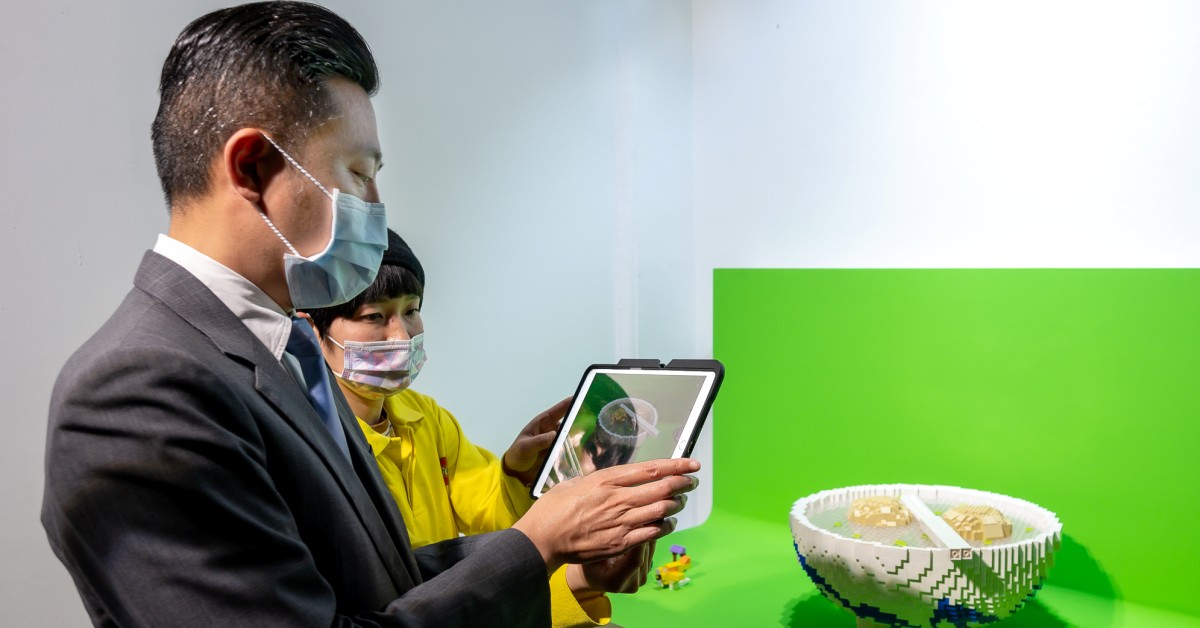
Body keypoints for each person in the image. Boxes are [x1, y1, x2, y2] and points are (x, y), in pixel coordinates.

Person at [40, 3, 699, 627]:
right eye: (358, 173)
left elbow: (378, 578)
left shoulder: (282, 350)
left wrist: (563, 558)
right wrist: (537, 543)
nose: (377, 207)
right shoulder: (138, 391)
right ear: (252, 166)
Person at [302, 230, 620, 625]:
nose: (402, 336)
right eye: (374, 316)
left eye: (411, 310)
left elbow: (489, 521)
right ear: (312, 331)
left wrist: (516, 471)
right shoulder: (317, 441)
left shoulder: (425, 416)